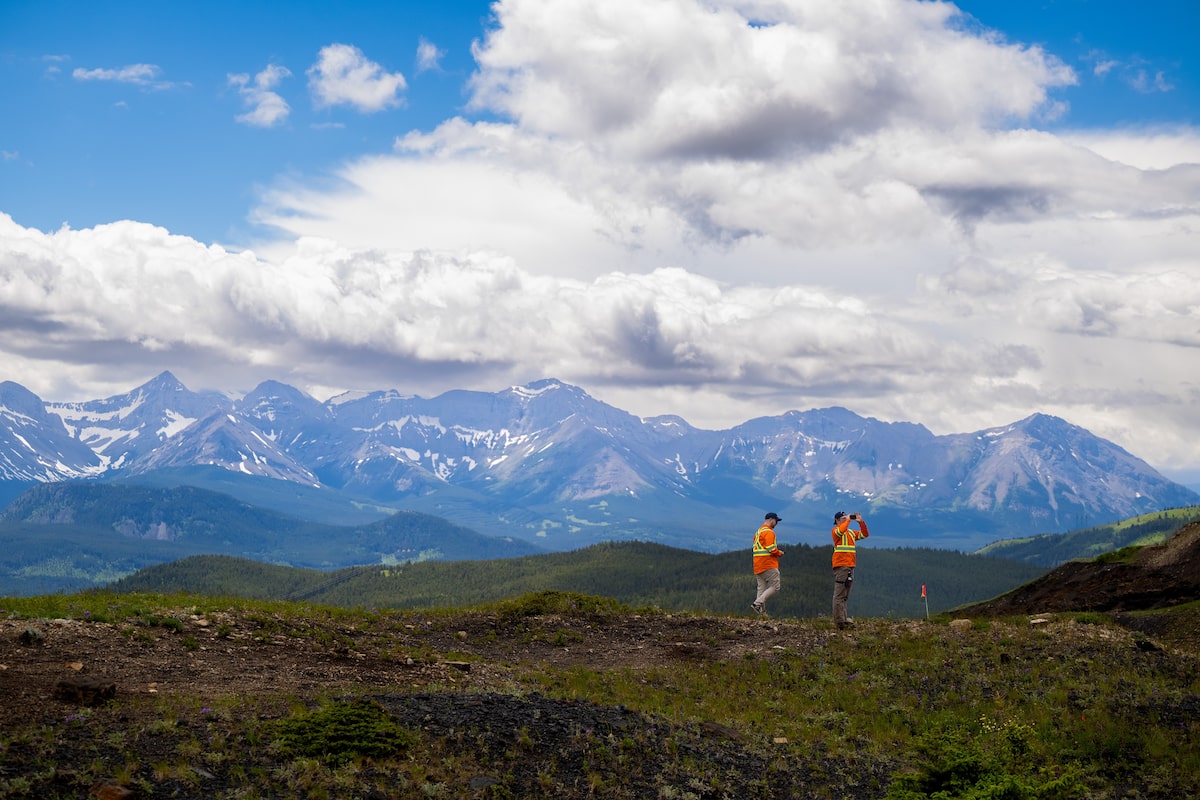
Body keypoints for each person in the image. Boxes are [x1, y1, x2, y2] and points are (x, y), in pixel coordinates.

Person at [831, 510, 869, 629]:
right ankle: (840, 622)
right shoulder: (836, 531)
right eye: (843, 518)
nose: (846, 520)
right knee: (839, 594)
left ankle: (844, 618)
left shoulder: (851, 533)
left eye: (846, 518)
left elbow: (864, 534)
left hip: (850, 565)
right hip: (841, 565)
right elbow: (841, 530)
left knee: (845, 595)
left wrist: (860, 522)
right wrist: (847, 520)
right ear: (837, 521)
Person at [751, 512, 784, 616]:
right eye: (776, 521)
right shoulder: (769, 532)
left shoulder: (758, 532)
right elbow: (771, 549)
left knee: (762, 588)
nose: (777, 523)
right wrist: (779, 553)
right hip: (768, 564)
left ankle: (762, 614)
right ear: (771, 519)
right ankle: (757, 603)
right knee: (775, 587)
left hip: (758, 565)